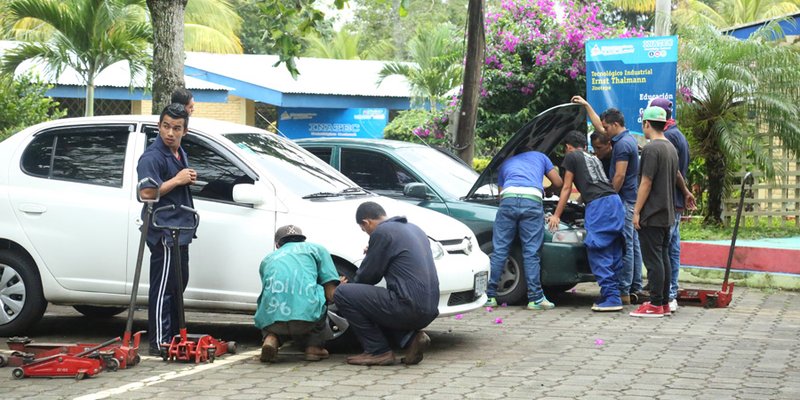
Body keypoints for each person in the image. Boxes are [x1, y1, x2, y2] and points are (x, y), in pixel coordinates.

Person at [333, 201, 440, 366]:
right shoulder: (414, 229)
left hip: (409, 307)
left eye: (364, 230)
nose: (367, 234)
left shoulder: (382, 232)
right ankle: (411, 339)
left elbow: (367, 278)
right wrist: (376, 252)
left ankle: (378, 351)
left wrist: (346, 284)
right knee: (376, 299)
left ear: (366, 222)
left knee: (343, 294)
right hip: (430, 308)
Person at [572, 95, 645, 305]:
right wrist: (587, 106)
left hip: (624, 199)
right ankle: (634, 286)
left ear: (615, 124)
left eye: (606, 126)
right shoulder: (624, 139)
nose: (603, 130)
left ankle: (623, 289)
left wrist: (608, 197)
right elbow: (598, 126)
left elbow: (620, 175)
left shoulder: (622, 145)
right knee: (633, 243)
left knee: (625, 244)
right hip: (627, 199)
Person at [137, 103, 197, 355]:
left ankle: (172, 336)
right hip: (163, 230)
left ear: (184, 130)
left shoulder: (178, 151)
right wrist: (177, 180)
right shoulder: (152, 157)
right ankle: (159, 341)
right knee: (163, 287)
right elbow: (146, 193)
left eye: (176, 128)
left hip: (180, 228)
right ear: (158, 126)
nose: (170, 132)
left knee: (177, 285)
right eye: (165, 126)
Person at [547, 131, 625, 311]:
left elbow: (566, 187)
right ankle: (613, 293)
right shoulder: (592, 157)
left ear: (568, 147)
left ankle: (612, 297)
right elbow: (594, 184)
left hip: (599, 206)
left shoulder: (572, 156)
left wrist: (557, 215)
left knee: (598, 248)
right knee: (612, 247)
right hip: (614, 201)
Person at [484, 143, 563, 310]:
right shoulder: (541, 157)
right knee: (531, 252)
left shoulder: (507, 163)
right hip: (532, 201)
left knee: (500, 250)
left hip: (508, 199)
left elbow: (501, 194)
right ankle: (535, 299)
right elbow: (558, 182)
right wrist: (545, 189)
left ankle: (489, 296)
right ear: (531, 152)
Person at [255, 225, 340, 363]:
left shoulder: (268, 258)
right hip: (306, 320)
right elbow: (330, 289)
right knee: (318, 292)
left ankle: (271, 338)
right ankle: (314, 348)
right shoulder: (316, 249)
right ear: (302, 240)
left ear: (278, 244)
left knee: (269, 298)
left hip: (272, 321)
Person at [630, 106, 678, 317]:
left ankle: (656, 304)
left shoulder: (651, 149)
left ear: (646, 124)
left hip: (652, 212)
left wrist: (637, 211)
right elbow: (676, 176)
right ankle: (665, 302)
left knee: (653, 260)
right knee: (663, 257)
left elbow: (646, 182)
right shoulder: (670, 148)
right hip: (667, 212)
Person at [650, 97, 694, 314]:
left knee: (664, 249)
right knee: (671, 248)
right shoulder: (679, 135)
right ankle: (669, 294)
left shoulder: (668, 138)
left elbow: (674, 172)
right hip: (675, 201)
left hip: (668, 202)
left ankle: (667, 295)